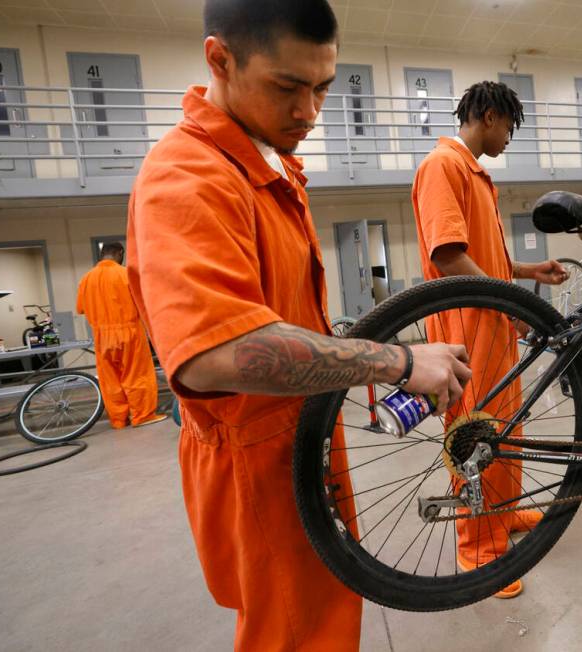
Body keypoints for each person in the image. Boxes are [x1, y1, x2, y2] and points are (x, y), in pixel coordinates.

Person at [126, 1, 472, 649]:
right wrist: (394, 363)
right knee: (299, 634)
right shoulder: (188, 178)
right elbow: (211, 354)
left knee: (320, 621)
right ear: (219, 60)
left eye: (322, 89)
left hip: (298, 437)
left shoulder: (264, 165)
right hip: (254, 461)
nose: (309, 112)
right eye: (287, 87)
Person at [412, 80, 568, 599]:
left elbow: (482, 257)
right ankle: (477, 547)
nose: (509, 138)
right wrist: (514, 306)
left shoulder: (476, 174)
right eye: (508, 127)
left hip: (491, 322)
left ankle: (499, 515)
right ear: (488, 116)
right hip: (465, 327)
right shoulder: (444, 166)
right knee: (475, 438)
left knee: (507, 432)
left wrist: (526, 271)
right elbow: (449, 256)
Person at [76, 242, 165, 429]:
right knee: (136, 376)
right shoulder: (125, 275)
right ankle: (143, 416)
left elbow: (82, 309)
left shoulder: (86, 279)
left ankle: (118, 419)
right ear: (120, 253)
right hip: (129, 332)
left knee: (110, 380)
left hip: (101, 336)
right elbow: (143, 303)